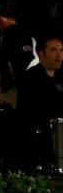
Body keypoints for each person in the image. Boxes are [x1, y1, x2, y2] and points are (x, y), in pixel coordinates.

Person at [17, 35, 63, 170]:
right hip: (37, 142)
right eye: (53, 50)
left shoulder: (59, 78)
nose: (59, 55)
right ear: (41, 54)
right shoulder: (31, 78)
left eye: (61, 50)